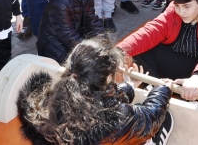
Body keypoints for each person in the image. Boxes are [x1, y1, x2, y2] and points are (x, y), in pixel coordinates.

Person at [18, 37, 174, 145]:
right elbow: (149, 120)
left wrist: (129, 87)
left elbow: (102, 97)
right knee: (165, 118)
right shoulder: (109, 119)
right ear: (107, 78)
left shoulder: (42, 98)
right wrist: (163, 89)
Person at [37, 0, 105, 63]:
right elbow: (68, 35)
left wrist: (105, 44)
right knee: (87, 67)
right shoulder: (60, 4)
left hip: (72, 41)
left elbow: (94, 22)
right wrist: (91, 52)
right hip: (54, 47)